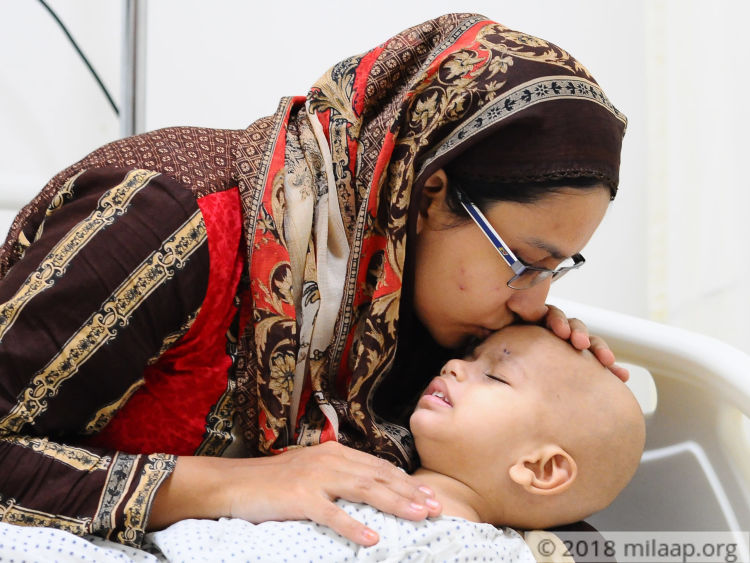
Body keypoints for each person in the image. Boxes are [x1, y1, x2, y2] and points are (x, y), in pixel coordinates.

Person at [0, 13, 629, 548]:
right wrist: (235, 484)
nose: (536, 301)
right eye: (524, 262)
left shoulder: (404, 317)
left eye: (555, 270)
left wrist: (552, 387)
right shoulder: (169, 220)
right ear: (427, 192)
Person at [0, 324, 645, 562]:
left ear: (540, 468)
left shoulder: (471, 550)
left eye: (494, 376)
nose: (455, 367)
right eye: (472, 355)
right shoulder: (380, 452)